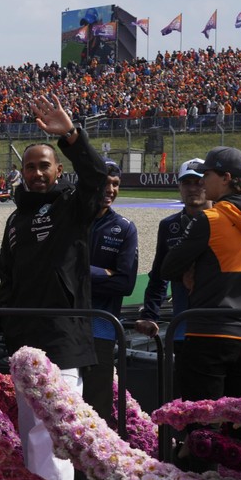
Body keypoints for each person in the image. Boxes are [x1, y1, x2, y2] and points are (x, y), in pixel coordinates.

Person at [0, 94, 108, 480]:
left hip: (62, 341)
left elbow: (96, 177)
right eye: (30, 166)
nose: (37, 172)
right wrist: (7, 329)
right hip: (25, 341)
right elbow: (6, 279)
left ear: (59, 169)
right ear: (22, 172)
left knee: (54, 435)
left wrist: (72, 135)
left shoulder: (72, 206)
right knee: (31, 432)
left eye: (44, 166)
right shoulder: (14, 219)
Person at [161, 146, 241, 470]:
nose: (203, 181)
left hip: (207, 330)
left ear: (225, 178)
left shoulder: (209, 219)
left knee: (201, 423)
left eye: (207, 174)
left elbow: (169, 267)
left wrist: (193, 268)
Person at [134, 159, 210, 393]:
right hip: (182, 324)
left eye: (199, 182)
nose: (193, 188)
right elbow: (158, 274)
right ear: (179, 186)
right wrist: (150, 314)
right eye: (187, 182)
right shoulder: (169, 225)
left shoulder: (226, 220)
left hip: (217, 322)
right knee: (186, 391)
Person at [82, 161, 138, 425]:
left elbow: (125, 284)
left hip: (101, 329)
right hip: (65, 327)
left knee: (97, 412)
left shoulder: (125, 228)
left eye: (115, 184)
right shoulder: (71, 221)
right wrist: (103, 272)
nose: (110, 189)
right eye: (105, 182)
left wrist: (79, 273)